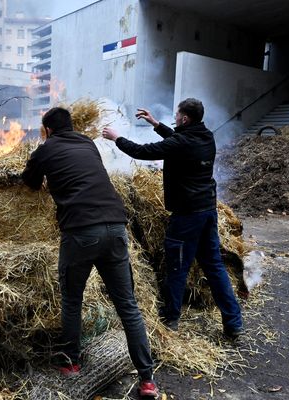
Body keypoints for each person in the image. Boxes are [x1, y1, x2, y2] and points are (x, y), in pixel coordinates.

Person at [22, 107, 159, 398]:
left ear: (47, 130)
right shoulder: (88, 143)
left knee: (72, 300)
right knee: (128, 306)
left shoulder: (46, 149)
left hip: (81, 231)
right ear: (72, 125)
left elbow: (29, 181)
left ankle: (71, 362)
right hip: (116, 227)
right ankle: (147, 380)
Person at [102, 98, 244, 338]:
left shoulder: (181, 142)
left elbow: (142, 151)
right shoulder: (206, 136)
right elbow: (178, 140)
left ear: (185, 118)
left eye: (177, 115)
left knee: (177, 267)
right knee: (215, 267)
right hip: (208, 212)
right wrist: (156, 124)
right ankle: (233, 322)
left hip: (187, 216)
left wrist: (116, 138)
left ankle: (170, 320)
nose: (175, 119)